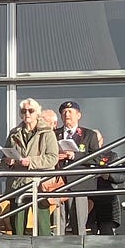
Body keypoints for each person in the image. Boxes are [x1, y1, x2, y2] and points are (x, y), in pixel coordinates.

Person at [4, 98, 60, 236]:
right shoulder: (14, 133)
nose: (27, 114)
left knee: (43, 227)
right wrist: (8, 161)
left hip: (39, 184)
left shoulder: (47, 132)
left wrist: (31, 162)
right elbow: (4, 157)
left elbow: (53, 158)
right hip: (18, 184)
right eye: (23, 111)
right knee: (17, 228)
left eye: (31, 111)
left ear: (37, 113)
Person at [54, 100, 104, 235]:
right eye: (64, 112)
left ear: (78, 115)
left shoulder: (89, 135)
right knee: (57, 224)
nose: (66, 114)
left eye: (70, 112)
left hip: (79, 183)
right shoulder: (54, 134)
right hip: (58, 183)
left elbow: (97, 158)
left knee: (78, 225)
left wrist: (74, 156)